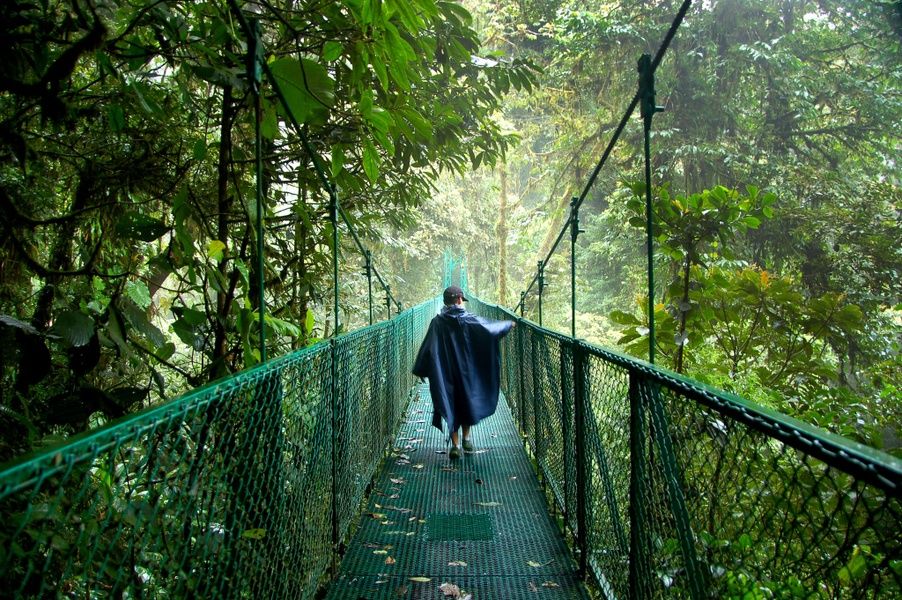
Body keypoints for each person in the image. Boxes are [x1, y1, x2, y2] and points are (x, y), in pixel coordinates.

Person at [412, 285, 515, 459]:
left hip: (445, 374)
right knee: (466, 400)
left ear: (446, 301)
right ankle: (467, 438)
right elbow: (489, 329)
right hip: (467, 372)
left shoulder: (437, 322)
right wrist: (507, 324)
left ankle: (456, 445)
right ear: (459, 300)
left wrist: (421, 369)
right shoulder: (469, 319)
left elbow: (428, 347)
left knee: (451, 403)